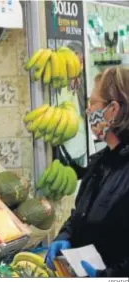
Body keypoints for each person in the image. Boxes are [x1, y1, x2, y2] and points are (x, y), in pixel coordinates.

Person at [46, 67, 129, 277]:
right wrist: (65, 236)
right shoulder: (99, 162)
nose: (88, 110)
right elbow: (80, 215)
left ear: (113, 110)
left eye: (93, 103)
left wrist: (110, 276)